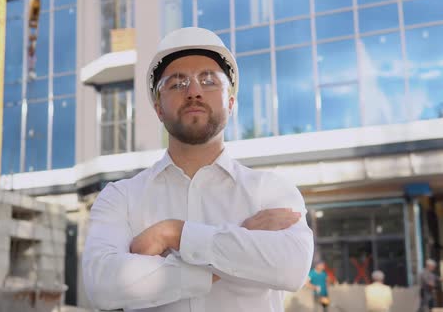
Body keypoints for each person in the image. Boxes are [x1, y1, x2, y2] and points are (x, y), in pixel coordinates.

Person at [82, 27, 314, 312]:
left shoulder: (272, 190)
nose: (193, 92)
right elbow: (102, 284)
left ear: (230, 103)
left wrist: (174, 233)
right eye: (177, 84)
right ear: (158, 108)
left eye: (208, 80)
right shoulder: (120, 197)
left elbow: (291, 267)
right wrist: (237, 243)